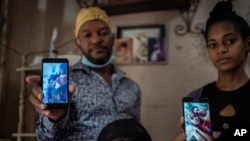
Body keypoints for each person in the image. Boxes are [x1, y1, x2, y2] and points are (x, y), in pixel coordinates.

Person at [26, 7, 141, 141]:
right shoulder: (65, 81)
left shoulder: (132, 87)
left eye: (103, 33)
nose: (96, 40)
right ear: (78, 42)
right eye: (87, 35)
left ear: (113, 38)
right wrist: (55, 118)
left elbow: (138, 131)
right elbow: (45, 139)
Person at [174, 1, 250, 140]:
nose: (221, 50)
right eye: (213, 45)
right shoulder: (196, 98)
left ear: (247, 44)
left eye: (230, 41)